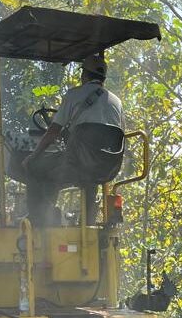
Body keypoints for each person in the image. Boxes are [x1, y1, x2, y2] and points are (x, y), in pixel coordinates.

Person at [18, 53, 125, 226]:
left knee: (35, 166)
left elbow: (53, 131)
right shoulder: (117, 102)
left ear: (84, 75)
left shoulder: (74, 95)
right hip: (107, 167)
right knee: (89, 174)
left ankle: (39, 220)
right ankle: (87, 224)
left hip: (77, 163)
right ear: (103, 77)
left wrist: (34, 155)